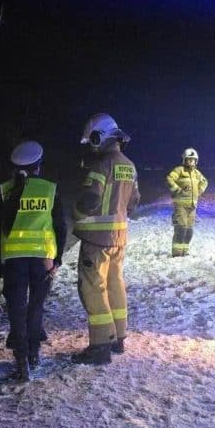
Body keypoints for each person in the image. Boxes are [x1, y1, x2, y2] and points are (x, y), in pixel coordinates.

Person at [0, 140, 67, 382]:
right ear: (38, 166)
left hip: (13, 262)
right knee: (35, 307)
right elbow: (60, 227)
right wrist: (58, 259)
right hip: (43, 260)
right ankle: (34, 352)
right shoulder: (50, 189)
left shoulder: (5, 191)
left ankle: (21, 360)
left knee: (16, 309)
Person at [72, 113, 140, 365]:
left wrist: (76, 213)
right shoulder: (129, 165)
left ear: (99, 137)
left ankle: (100, 346)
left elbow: (90, 200)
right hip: (119, 238)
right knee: (115, 285)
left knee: (93, 289)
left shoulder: (100, 165)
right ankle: (118, 339)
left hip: (96, 241)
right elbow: (134, 203)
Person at [165, 148, 208, 257]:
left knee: (189, 231)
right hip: (181, 206)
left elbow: (205, 182)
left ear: (196, 161)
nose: (191, 161)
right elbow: (169, 179)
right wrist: (177, 189)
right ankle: (177, 253)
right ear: (184, 160)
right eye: (189, 159)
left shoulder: (196, 173)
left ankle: (184, 251)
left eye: (193, 160)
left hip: (192, 206)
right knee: (181, 229)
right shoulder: (179, 170)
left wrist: (199, 190)